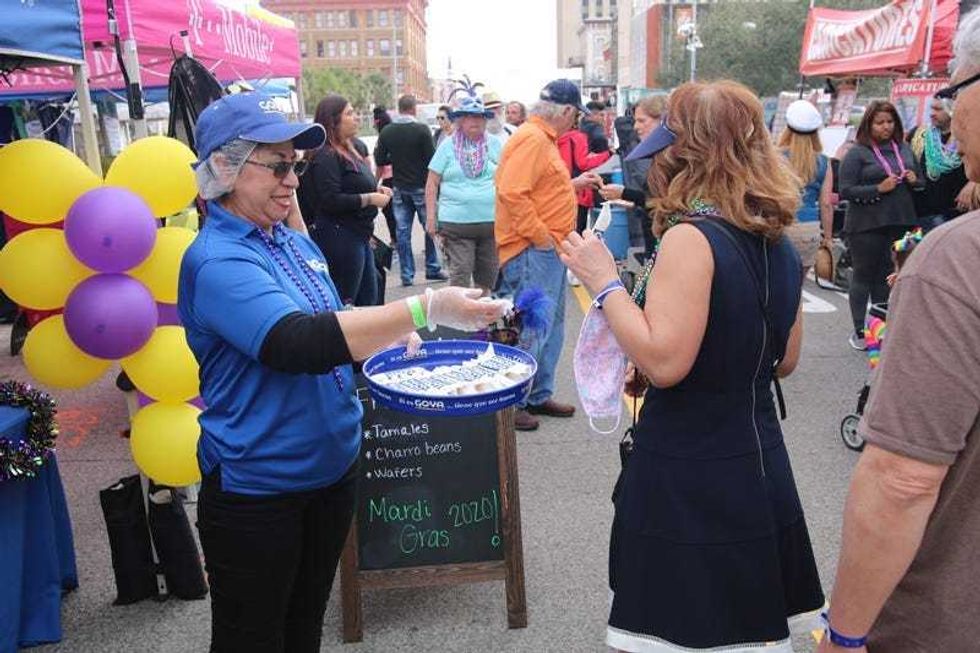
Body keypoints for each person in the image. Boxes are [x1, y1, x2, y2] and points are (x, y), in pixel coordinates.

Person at [179, 91, 508, 653]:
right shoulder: (217, 258)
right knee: (251, 638)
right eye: (278, 165)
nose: (292, 180)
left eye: (297, 165)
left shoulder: (285, 239)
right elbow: (293, 341)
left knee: (303, 625)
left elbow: (329, 318)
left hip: (329, 473)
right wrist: (427, 309)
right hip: (260, 490)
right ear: (224, 170)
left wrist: (378, 329)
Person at [561, 80, 824, 652]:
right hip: (757, 459)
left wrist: (603, 282)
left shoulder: (691, 237)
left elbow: (665, 360)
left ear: (685, 156)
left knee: (684, 631)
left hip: (690, 465)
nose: (653, 164)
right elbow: (784, 358)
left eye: (661, 151)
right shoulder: (776, 238)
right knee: (743, 630)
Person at [818, 11, 980, 651]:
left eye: (954, 91)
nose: (949, 118)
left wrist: (845, 635)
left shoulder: (958, 263)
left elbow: (903, 480)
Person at [495, 79, 603, 431]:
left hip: (546, 249)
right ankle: (515, 402)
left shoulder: (540, 139)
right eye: (576, 116)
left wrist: (571, 186)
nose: (576, 122)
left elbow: (537, 188)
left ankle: (538, 395)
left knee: (550, 325)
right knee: (533, 326)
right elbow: (513, 193)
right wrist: (541, 237)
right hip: (534, 250)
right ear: (568, 111)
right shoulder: (532, 139)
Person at [839, 101, 923, 350]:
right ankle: (859, 331)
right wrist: (877, 188)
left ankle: (881, 328)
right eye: (880, 123)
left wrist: (914, 179)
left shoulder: (904, 149)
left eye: (890, 122)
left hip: (901, 220)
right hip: (866, 223)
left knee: (888, 276)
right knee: (864, 275)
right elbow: (845, 190)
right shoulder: (857, 153)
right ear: (869, 124)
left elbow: (922, 184)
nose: (886, 127)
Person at [297, 95, 389, 307]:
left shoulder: (349, 149)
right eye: (349, 113)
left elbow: (353, 184)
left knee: (369, 299)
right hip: (340, 239)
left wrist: (375, 189)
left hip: (358, 235)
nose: (356, 118)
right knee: (347, 302)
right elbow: (329, 200)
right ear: (333, 121)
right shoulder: (325, 155)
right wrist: (370, 198)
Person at [424, 94, 501, 294]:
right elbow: (432, 182)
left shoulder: (494, 144)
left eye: (479, 117)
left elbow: (509, 178)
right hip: (456, 226)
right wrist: (431, 218)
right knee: (460, 276)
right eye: (469, 117)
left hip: (491, 224)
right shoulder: (448, 146)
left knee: (487, 278)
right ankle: (459, 323)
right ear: (460, 121)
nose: (475, 121)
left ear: (485, 120)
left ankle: (483, 322)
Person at [374, 94, 447, 286]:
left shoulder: (388, 131)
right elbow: (433, 160)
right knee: (429, 227)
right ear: (414, 109)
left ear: (399, 109)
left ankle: (407, 274)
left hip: (399, 187)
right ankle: (432, 267)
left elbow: (380, 159)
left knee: (402, 232)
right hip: (421, 186)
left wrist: (395, 160)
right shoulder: (422, 130)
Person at [600, 95, 669, 257]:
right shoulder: (658, 156)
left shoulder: (670, 159)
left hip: (665, 241)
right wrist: (625, 195)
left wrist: (624, 194)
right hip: (655, 237)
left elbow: (667, 202)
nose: (636, 127)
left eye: (642, 121)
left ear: (662, 120)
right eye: (635, 121)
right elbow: (655, 199)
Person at [779, 100, 834, 276]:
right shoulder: (824, 162)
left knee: (778, 286)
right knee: (797, 288)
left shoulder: (775, 158)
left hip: (780, 226)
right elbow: (826, 204)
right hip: (809, 229)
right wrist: (828, 237)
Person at [907, 96, 973, 232]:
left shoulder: (968, 136)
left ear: (952, 110)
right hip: (920, 213)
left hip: (955, 214)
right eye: (931, 108)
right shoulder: (918, 134)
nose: (932, 113)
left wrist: (973, 184)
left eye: (938, 109)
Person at [557, 113, 611, 234]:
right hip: (579, 190)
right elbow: (583, 163)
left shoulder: (553, 138)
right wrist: (608, 154)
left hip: (559, 187)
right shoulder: (578, 137)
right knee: (577, 230)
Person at [372, 106, 398, 250]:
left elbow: (380, 165)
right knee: (397, 212)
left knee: (389, 212)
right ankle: (398, 241)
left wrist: (374, 182)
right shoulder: (394, 136)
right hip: (398, 178)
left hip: (389, 180)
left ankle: (396, 241)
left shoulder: (383, 138)